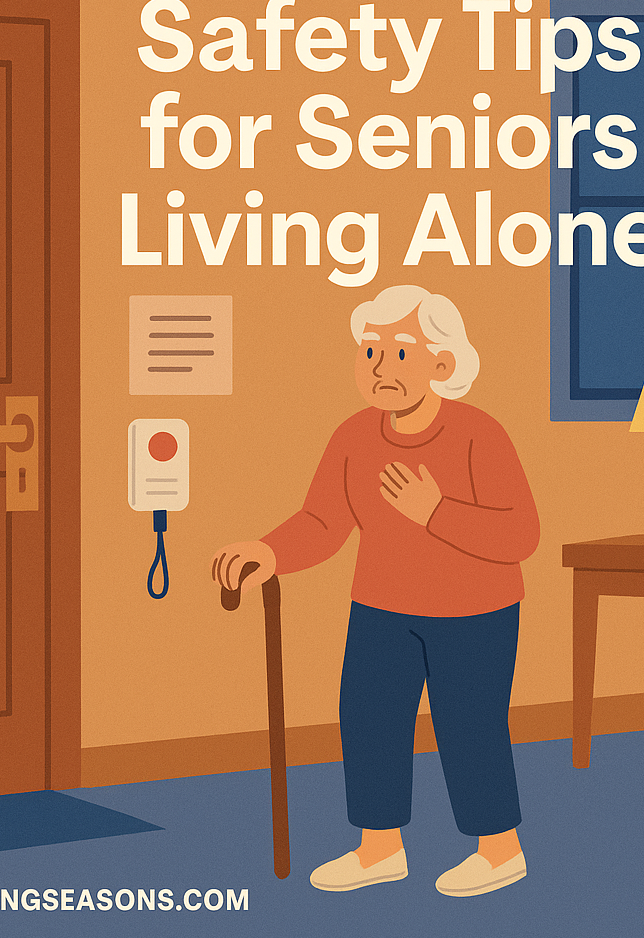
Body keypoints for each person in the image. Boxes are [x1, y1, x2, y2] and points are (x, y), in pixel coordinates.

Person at [212, 284, 539, 897]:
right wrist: (270, 550)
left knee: (469, 725)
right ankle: (380, 848)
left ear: (443, 364)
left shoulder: (478, 434)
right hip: (382, 607)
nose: (381, 368)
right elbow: (322, 521)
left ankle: (500, 850)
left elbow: (521, 533)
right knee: (369, 720)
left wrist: (435, 510)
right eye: (370, 353)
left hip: (474, 611)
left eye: (402, 353)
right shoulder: (354, 437)